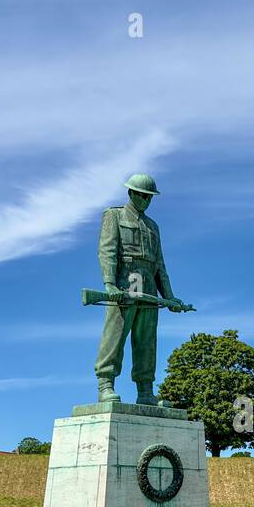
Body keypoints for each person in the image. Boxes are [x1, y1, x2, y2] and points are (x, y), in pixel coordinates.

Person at [94, 173, 191, 404]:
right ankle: (105, 384)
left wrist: (170, 297)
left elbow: (160, 265)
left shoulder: (153, 226)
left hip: (148, 284)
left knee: (147, 341)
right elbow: (107, 250)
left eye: (149, 197)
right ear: (131, 193)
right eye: (142, 195)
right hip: (125, 282)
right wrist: (109, 283)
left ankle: (145, 391)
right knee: (115, 335)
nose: (146, 200)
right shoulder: (114, 215)